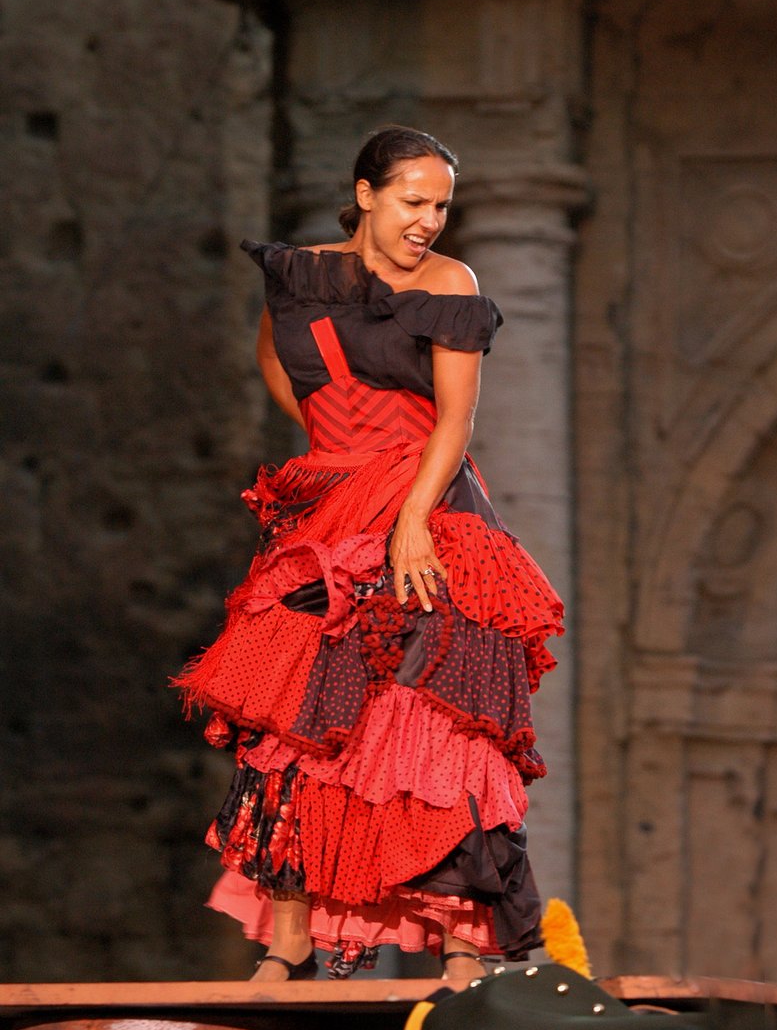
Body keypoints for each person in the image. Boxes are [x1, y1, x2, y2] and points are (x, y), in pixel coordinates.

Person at [174, 125, 564, 982]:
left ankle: (462, 944)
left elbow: (456, 420)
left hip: (432, 503)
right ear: (365, 196)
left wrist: (413, 514)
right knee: (297, 725)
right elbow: (276, 361)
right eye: (413, 202)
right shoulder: (302, 274)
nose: (429, 220)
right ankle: (288, 943)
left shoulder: (451, 282)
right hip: (328, 506)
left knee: (443, 712)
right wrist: (330, 445)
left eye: (440, 206)